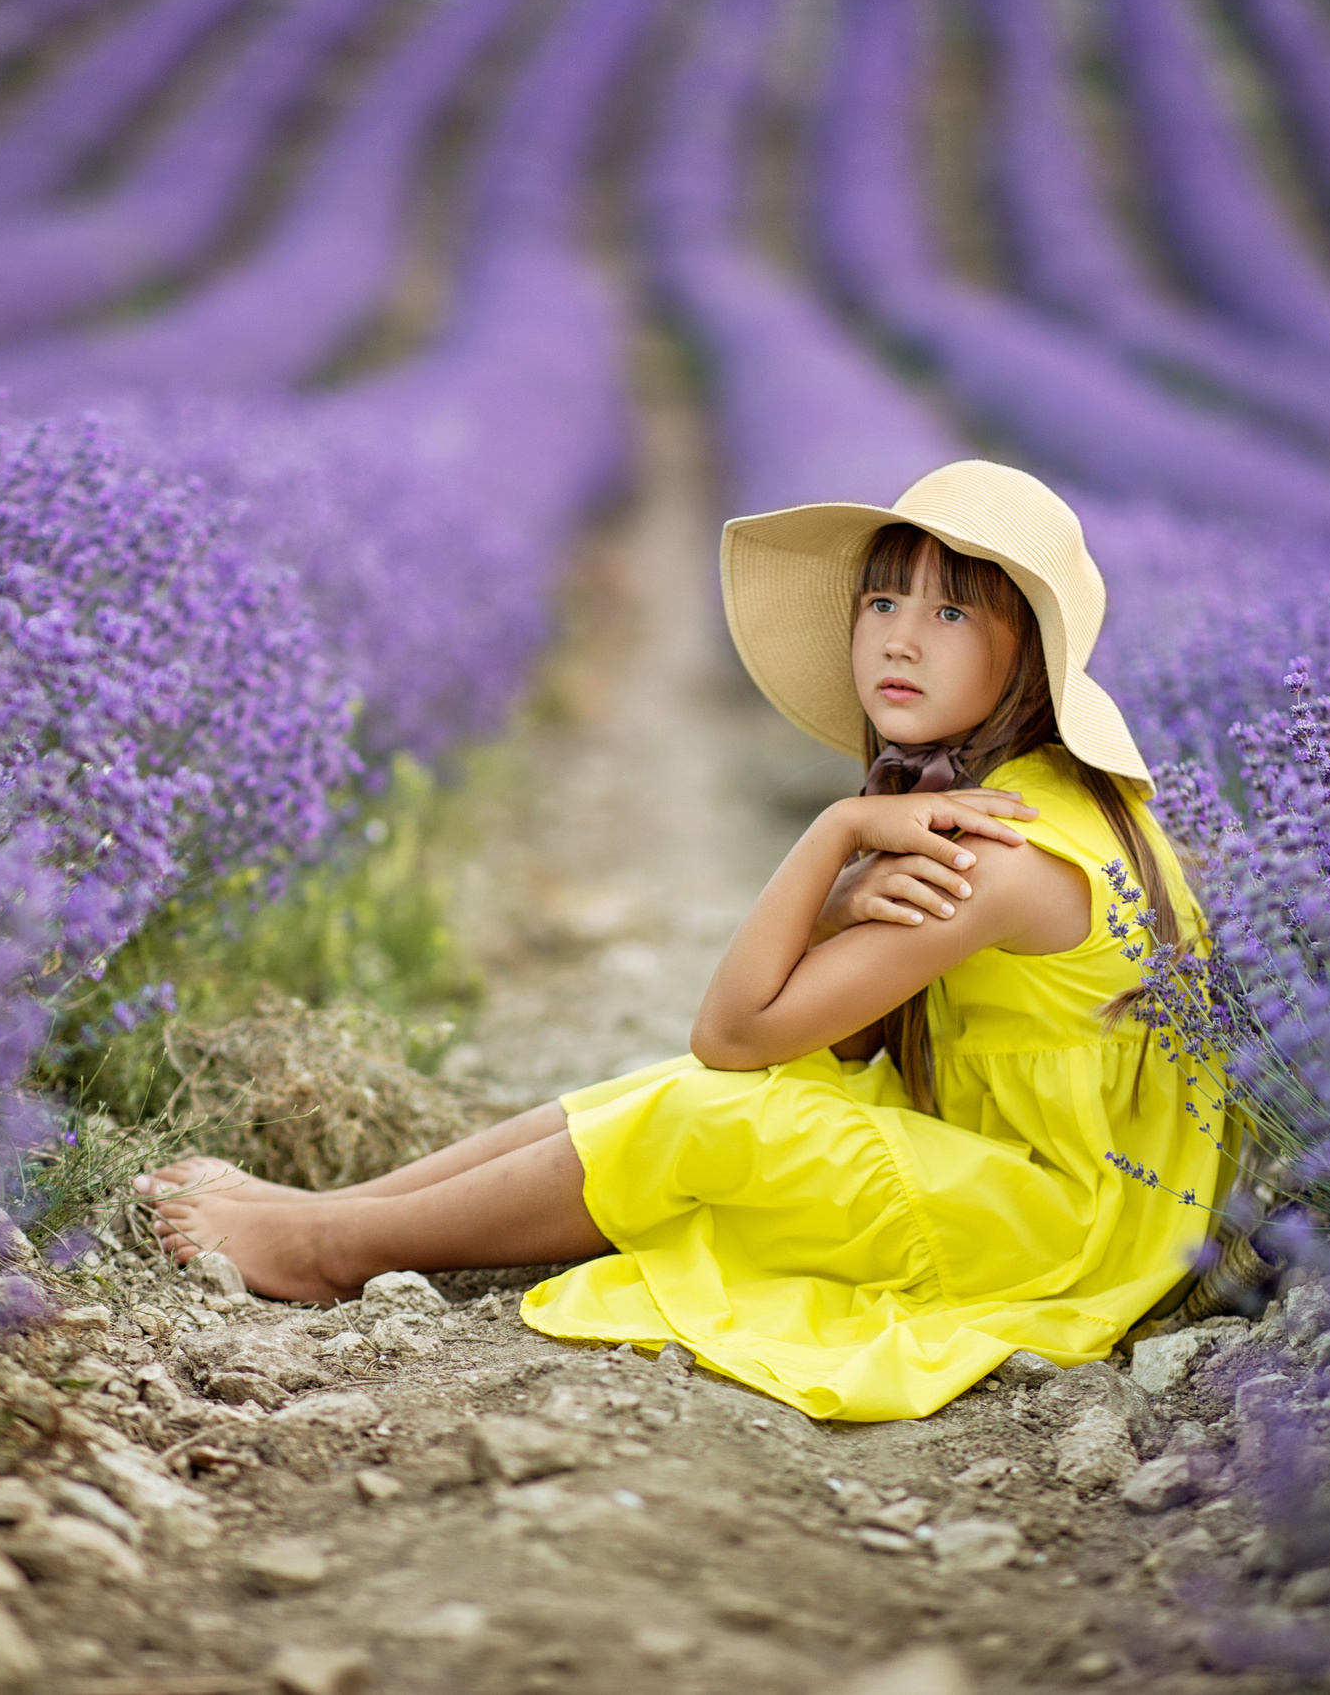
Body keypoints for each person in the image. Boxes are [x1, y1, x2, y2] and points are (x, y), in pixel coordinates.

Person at [138, 460, 1224, 1420]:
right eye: (883, 600)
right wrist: (840, 906)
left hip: (1059, 1234)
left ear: (1029, 658)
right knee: (684, 1094)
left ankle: (332, 1249)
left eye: (951, 613)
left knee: (704, 1109)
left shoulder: (998, 847)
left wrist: (832, 834)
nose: (900, 636)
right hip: (1020, 1185)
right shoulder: (1021, 797)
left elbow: (734, 1035)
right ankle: (332, 1214)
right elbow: (840, 1044)